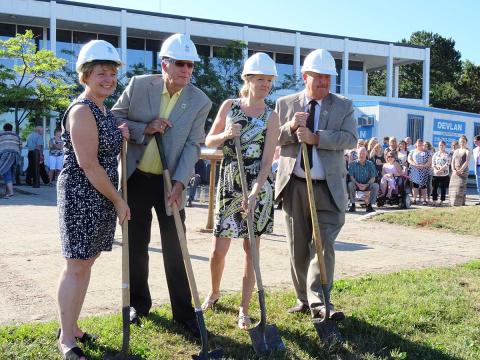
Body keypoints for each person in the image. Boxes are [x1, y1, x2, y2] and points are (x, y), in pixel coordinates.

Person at [111, 33, 212, 336]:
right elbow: (114, 117)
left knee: (176, 246)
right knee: (136, 244)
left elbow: (194, 144)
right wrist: (145, 128)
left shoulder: (200, 101)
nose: (187, 70)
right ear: (164, 64)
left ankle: (184, 313)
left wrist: (181, 183)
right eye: (180, 64)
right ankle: (137, 306)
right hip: (136, 179)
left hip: (171, 183)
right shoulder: (140, 85)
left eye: (191, 65)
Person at [56, 40, 129, 360]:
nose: (108, 79)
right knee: (76, 266)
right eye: (101, 73)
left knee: (86, 263)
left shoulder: (102, 110)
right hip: (82, 196)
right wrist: (118, 200)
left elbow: (106, 142)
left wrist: (121, 132)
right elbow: (89, 164)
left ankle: (71, 325)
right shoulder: (82, 110)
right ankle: (66, 339)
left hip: (100, 196)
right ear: (85, 75)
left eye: (112, 73)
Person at [275, 49, 357, 319]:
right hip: (295, 184)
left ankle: (319, 301)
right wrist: (290, 128)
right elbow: (274, 138)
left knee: (323, 244)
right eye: (318, 77)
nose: (323, 83)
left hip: (328, 188)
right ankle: (303, 299)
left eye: (328, 78)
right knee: (297, 246)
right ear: (304, 76)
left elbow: (350, 139)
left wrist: (317, 138)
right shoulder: (285, 103)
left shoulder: (343, 105)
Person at [201, 52, 278, 329]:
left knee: (251, 251)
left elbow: (268, 161)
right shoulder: (230, 105)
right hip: (230, 180)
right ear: (248, 79)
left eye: (269, 80)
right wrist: (226, 135)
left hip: (257, 185)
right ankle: (214, 292)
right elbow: (210, 140)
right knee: (218, 249)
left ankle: (244, 309)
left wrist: (256, 191)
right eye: (260, 79)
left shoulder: (272, 116)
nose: (265, 85)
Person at [347, 147, 379, 212]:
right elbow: (351, 177)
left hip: (367, 184)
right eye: (360, 153)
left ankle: (369, 205)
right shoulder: (352, 164)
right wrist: (357, 184)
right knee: (350, 184)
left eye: (363, 154)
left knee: (376, 186)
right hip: (356, 184)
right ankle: (352, 205)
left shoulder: (370, 164)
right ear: (357, 154)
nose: (361, 155)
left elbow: (373, 177)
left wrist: (366, 185)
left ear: (366, 154)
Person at [0, 123, 21, 198]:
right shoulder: (16, 135)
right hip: (15, 156)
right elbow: (20, 145)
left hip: (5, 155)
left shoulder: (1, 135)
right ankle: (7, 192)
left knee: (6, 173)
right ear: (11, 128)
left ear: (4, 128)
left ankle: (11, 192)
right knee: (11, 173)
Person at [408, 139, 432, 205]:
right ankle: (414, 199)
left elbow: (430, 161)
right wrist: (414, 164)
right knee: (415, 185)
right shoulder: (412, 151)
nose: (419, 144)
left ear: (423, 144)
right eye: (418, 143)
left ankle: (424, 200)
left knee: (423, 186)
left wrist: (423, 166)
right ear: (416, 144)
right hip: (414, 170)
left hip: (424, 170)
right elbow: (409, 159)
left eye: (421, 143)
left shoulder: (427, 152)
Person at [449, 135, 471, 206]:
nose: (462, 143)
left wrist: (460, 170)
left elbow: (467, 162)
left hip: (463, 172)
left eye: (464, 142)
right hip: (455, 172)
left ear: (466, 142)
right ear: (459, 142)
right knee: (453, 188)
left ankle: (460, 204)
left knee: (460, 188)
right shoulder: (456, 151)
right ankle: (452, 203)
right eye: (461, 141)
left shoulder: (468, 150)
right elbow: (453, 161)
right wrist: (454, 170)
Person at [431, 140, 450, 206]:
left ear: (445, 146)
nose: (441, 146)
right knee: (434, 188)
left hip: (444, 174)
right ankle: (434, 200)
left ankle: (442, 201)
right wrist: (436, 170)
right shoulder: (435, 154)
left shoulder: (447, 154)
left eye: (442, 145)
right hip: (436, 174)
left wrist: (440, 170)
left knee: (443, 188)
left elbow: (447, 164)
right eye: (440, 145)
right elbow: (433, 163)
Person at [473, 135, 480, 205]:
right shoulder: (474, 150)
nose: (474, 143)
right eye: (474, 141)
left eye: (476, 141)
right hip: (477, 168)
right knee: (478, 184)